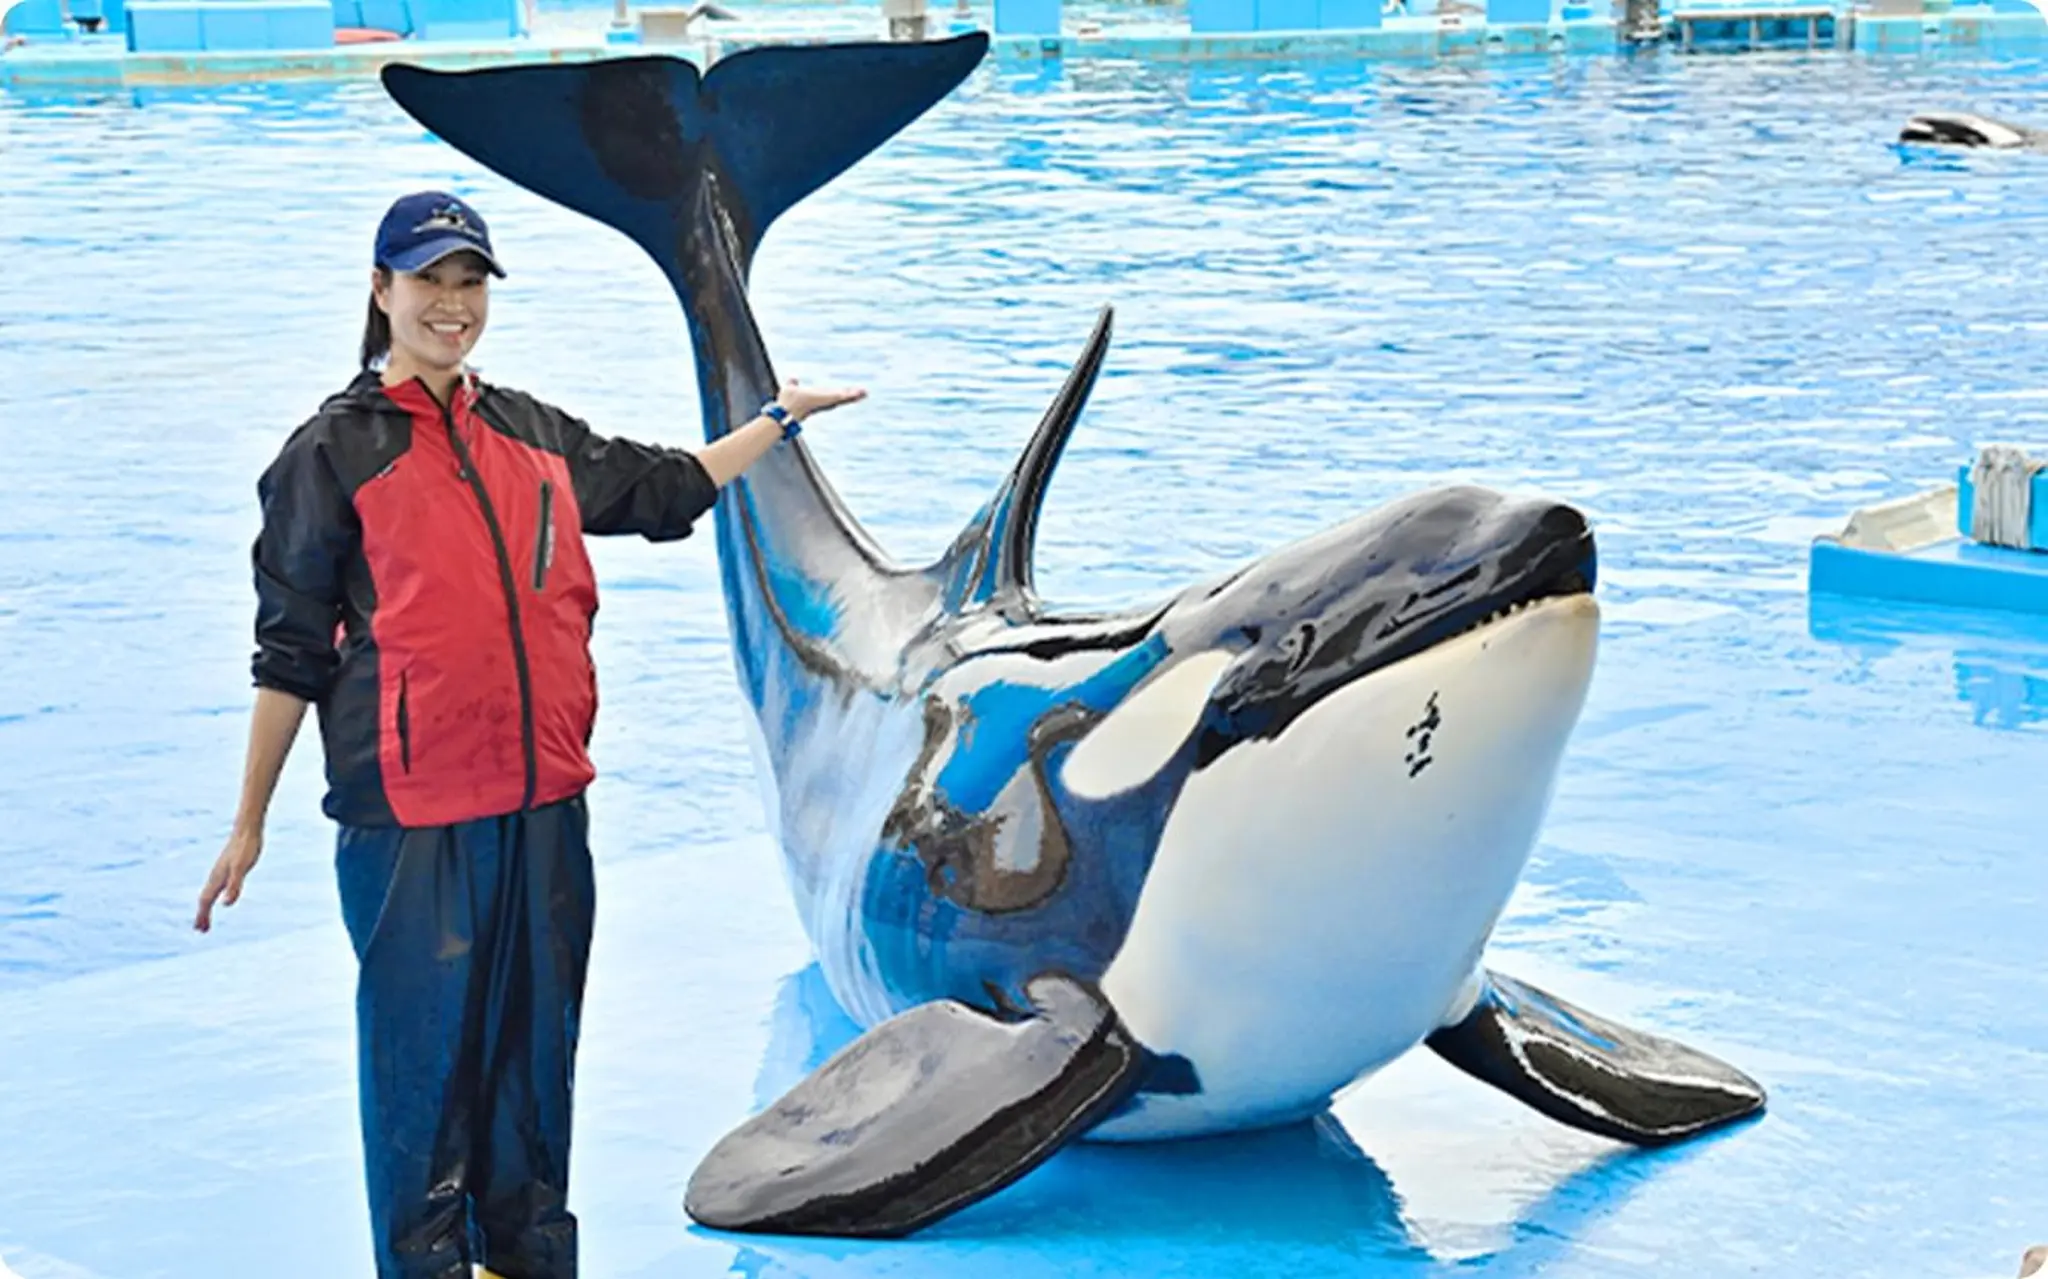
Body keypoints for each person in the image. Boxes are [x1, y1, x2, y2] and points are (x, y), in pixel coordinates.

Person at [191, 190, 863, 1279]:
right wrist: (247, 822)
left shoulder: (529, 431)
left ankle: (532, 1262)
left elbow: (664, 487)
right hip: (412, 818)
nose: (451, 306)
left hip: (545, 802)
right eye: (429, 282)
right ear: (381, 291)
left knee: (534, 1064)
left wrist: (777, 420)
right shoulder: (331, 454)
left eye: (469, 285)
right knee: (424, 1070)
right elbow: (289, 653)